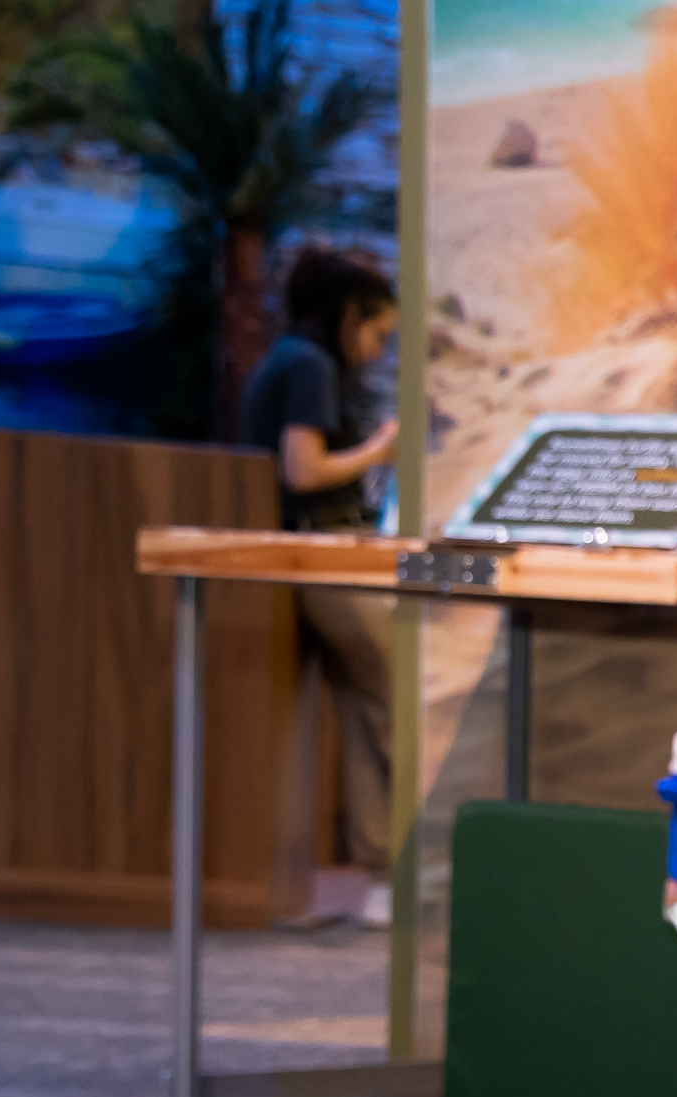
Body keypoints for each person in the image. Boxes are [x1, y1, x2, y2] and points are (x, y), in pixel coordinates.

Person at [238, 247, 401, 916]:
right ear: (350, 316)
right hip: (324, 560)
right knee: (391, 706)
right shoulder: (309, 367)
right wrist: (381, 447)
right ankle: (397, 868)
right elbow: (302, 470)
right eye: (376, 335)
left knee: (367, 710)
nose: (376, 351)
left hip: (310, 562)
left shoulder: (283, 359)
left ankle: (384, 874)